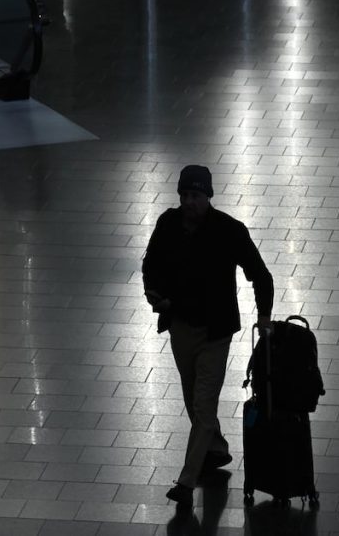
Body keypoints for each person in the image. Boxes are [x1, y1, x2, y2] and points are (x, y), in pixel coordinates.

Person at [142, 164, 274, 507]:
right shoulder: (168, 224)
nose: (189, 202)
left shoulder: (229, 231)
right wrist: (154, 294)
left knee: (203, 403)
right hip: (181, 329)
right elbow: (150, 265)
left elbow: (261, 275)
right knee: (193, 400)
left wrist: (264, 317)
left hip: (215, 333)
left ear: (208, 197)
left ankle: (187, 481)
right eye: (184, 195)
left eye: (195, 196)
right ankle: (215, 448)